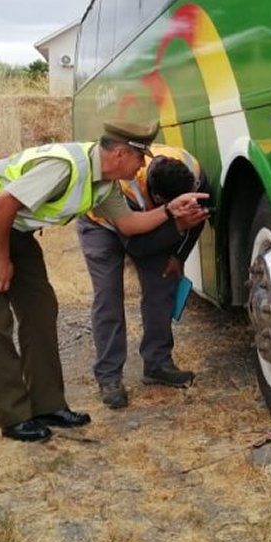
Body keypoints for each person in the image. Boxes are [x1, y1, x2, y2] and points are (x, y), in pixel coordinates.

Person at [0, 121, 208, 443]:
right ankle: (13, 416)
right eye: (139, 157)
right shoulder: (64, 167)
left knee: (42, 311)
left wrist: (170, 211)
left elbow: (129, 224)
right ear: (119, 154)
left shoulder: (104, 183)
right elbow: (3, 202)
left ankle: (47, 406)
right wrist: (1, 259)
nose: (143, 165)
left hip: (15, 228)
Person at [77, 145, 210, 409]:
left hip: (150, 221)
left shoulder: (193, 174)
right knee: (109, 296)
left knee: (162, 280)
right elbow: (136, 247)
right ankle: (110, 377)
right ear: (160, 198)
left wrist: (178, 257)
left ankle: (157, 364)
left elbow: (199, 218)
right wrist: (176, 224)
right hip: (101, 224)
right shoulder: (125, 188)